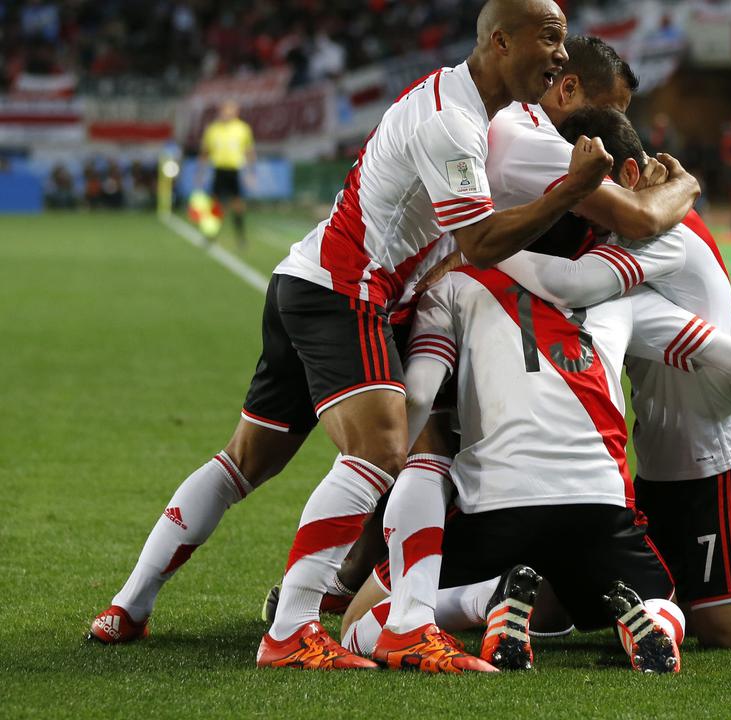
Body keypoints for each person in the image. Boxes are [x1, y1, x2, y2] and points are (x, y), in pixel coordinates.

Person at [88, 0, 615, 672]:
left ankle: (130, 605)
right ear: (502, 42)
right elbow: (480, 241)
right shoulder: (452, 123)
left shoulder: (471, 108)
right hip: (345, 294)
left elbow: (452, 236)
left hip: (308, 281)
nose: (562, 54)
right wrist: (572, 189)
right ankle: (292, 630)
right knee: (382, 449)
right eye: (551, 38)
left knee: (249, 459)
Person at [376, 132, 731, 673]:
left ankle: (484, 600)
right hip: (600, 504)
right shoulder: (620, 291)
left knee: (374, 616)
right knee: (662, 602)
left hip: (495, 506)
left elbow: (419, 393)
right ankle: (649, 622)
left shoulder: (456, 285)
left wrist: (386, 464)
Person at [200, 101, 255, 248]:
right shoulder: (213, 129)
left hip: (234, 170)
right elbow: (205, 151)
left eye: (231, 110)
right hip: (219, 170)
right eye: (225, 110)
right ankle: (210, 235)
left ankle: (241, 237)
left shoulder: (242, 129)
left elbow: (248, 151)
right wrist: (200, 171)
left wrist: (251, 172)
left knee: (238, 205)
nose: (227, 113)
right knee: (215, 204)